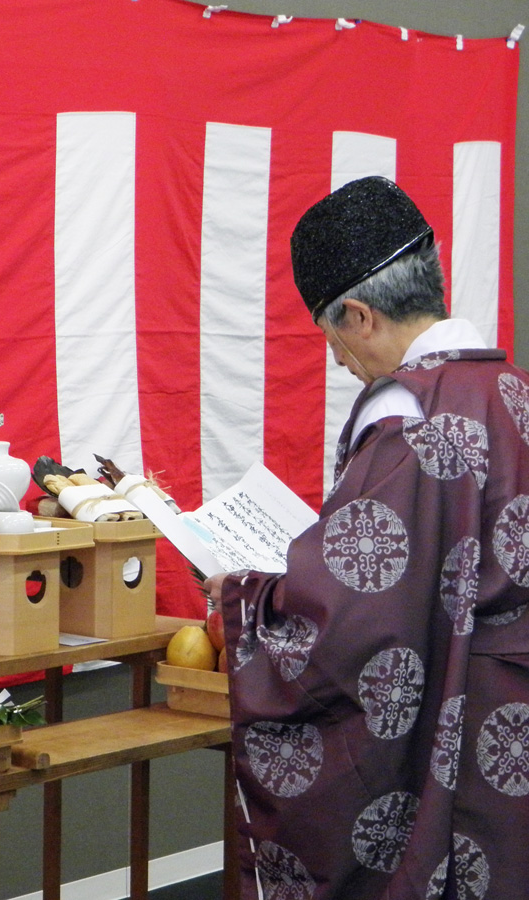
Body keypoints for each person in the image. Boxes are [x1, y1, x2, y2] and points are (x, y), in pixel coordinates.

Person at [206, 176, 529, 899]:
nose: (337, 362)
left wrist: (247, 601)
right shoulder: (512, 390)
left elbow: (348, 624)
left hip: (467, 736)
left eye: (331, 339)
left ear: (357, 315)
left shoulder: (412, 427)